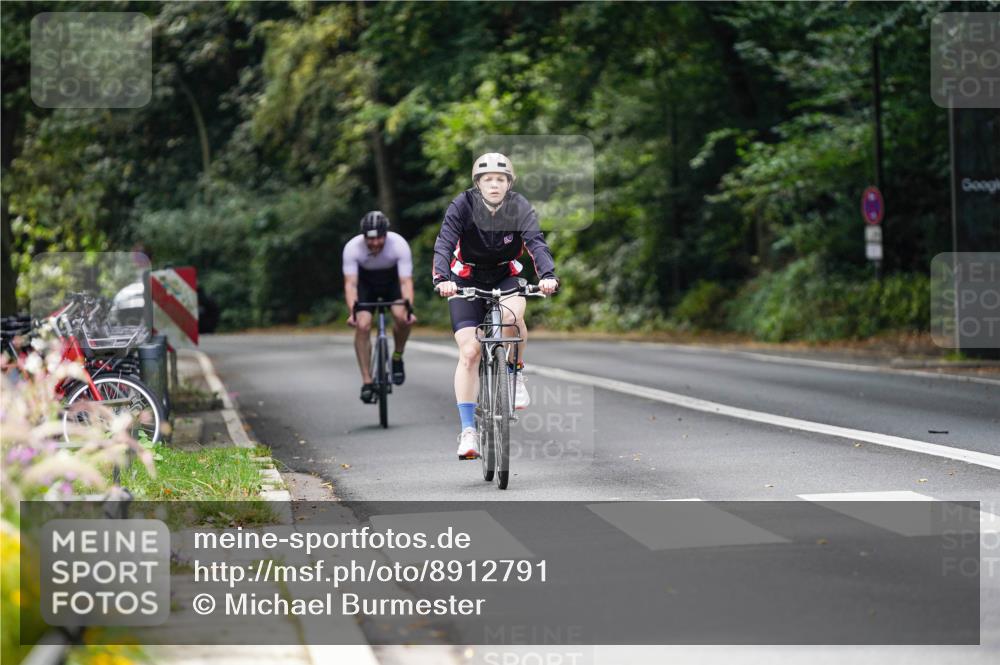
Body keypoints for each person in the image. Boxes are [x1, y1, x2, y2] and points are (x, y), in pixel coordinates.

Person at [433, 153, 559, 460]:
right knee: (470, 352)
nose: (494, 185)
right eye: (487, 179)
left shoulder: (519, 206)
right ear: (477, 183)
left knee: (512, 317)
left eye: (500, 179)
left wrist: (547, 275)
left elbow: (535, 242)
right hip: (464, 280)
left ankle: (515, 374)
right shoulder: (462, 206)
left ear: (509, 183)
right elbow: (444, 243)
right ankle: (467, 432)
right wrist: (441, 277)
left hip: (505, 275)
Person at [343, 211, 416, 403]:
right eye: (370, 239)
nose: (375, 243)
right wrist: (353, 311)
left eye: (379, 238)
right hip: (366, 284)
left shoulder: (398, 245)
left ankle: (397, 356)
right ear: (363, 236)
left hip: (392, 283)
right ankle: (367, 381)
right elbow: (350, 284)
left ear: (386, 234)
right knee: (363, 325)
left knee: (402, 318)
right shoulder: (352, 248)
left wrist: (409, 308)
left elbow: (405, 282)